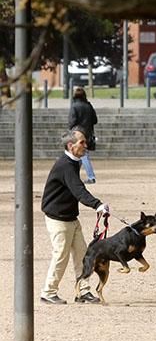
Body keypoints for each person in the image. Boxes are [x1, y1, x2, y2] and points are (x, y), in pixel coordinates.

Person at [40, 129, 108, 305]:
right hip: (58, 219)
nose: (86, 146)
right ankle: (48, 292)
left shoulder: (73, 162)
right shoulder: (65, 165)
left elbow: (75, 190)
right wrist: (97, 205)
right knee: (60, 256)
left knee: (83, 255)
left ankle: (83, 291)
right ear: (71, 146)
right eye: (82, 143)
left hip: (70, 218)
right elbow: (78, 190)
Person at [69, 86, 98, 183]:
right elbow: (95, 120)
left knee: (82, 155)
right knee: (80, 155)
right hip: (88, 132)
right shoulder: (88, 105)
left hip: (78, 133)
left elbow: (72, 121)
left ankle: (91, 176)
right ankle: (75, 176)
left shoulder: (74, 106)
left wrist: (71, 130)